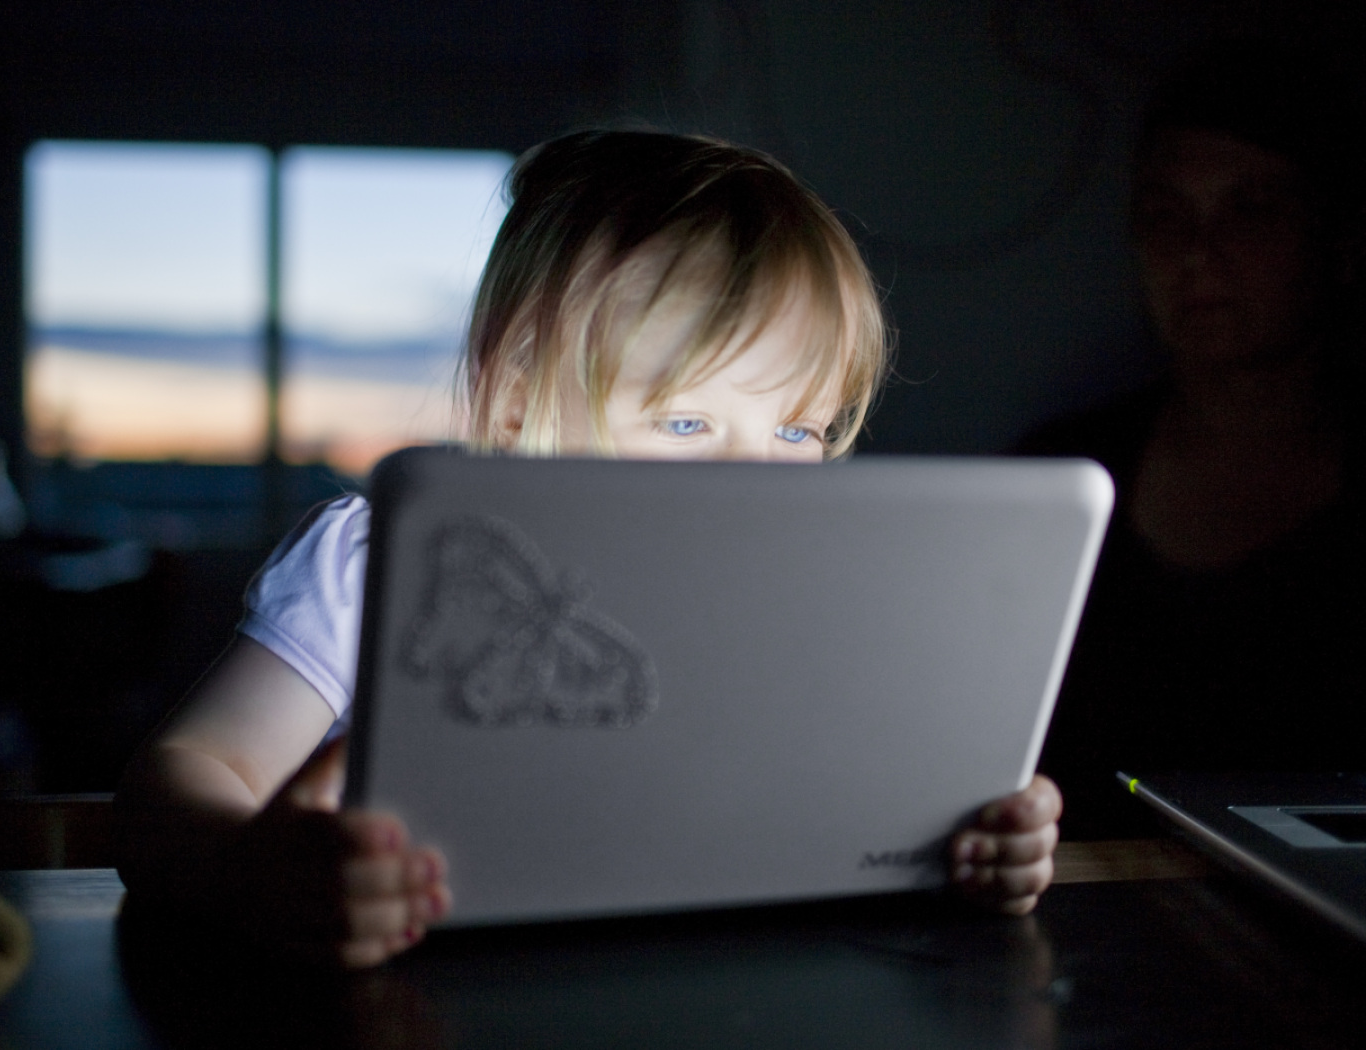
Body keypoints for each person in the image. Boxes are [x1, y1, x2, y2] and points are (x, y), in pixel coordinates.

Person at [115, 130, 1062, 968]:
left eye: (796, 431)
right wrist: (250, 872)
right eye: (686, 423)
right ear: (517, 401)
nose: (754, 479)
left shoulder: (799, 608)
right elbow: (176, 784)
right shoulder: (380, 563)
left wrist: (963, 841)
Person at [1022, 44, 1366, 838]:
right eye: (1164, 215)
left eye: (1251, 209)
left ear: (1342, 242)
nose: (1197, 252)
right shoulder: (1057, 481)